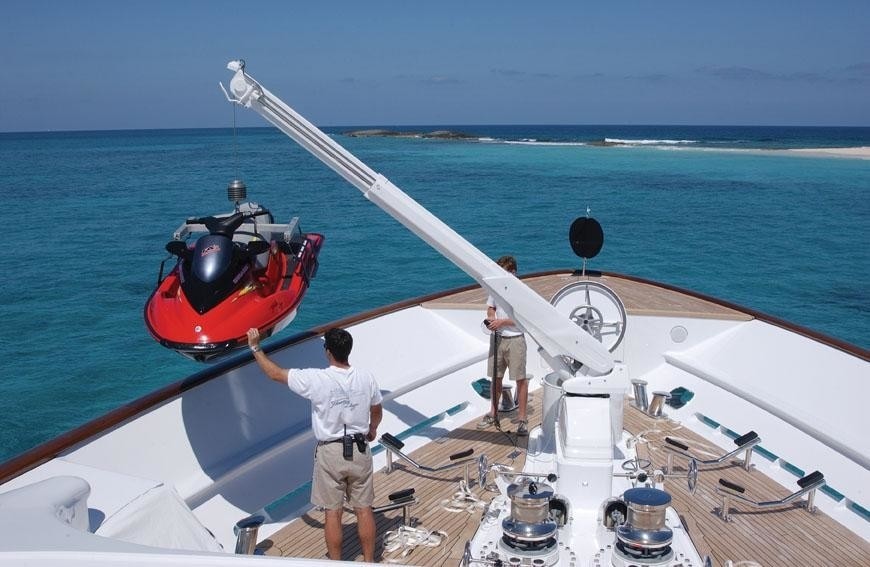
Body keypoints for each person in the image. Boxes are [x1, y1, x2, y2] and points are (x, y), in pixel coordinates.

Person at [247, 326, 383, 562]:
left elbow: (275, 374)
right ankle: (369, 562)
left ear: (328, 351)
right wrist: (372, 429)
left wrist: (255, 347)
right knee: (364, 510)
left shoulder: (317, 379)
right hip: (360, 449)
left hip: (330, 452)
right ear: (348, 350)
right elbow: (377, 409)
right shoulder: (366, 377)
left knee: (333, 513)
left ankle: (336, 563)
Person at [477, 255, 529, 436]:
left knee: (520, 379)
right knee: (496, 378)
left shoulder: (521, 292)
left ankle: (522, 420)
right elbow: (491, 307)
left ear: (513, 272)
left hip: (516, 340)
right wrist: (492, 318)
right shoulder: (496, 288)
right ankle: (493, 413)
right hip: (497, 339)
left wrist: (502, 323)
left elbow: (523, 318)